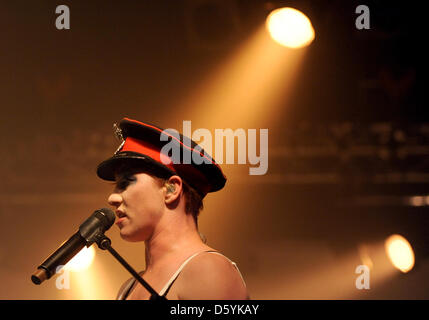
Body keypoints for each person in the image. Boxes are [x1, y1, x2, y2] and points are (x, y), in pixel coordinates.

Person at [96, 118, 249, 300]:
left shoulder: (207, 270)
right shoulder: (128, 288)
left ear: (171, 189)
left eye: (125, 183)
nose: (112, 198)